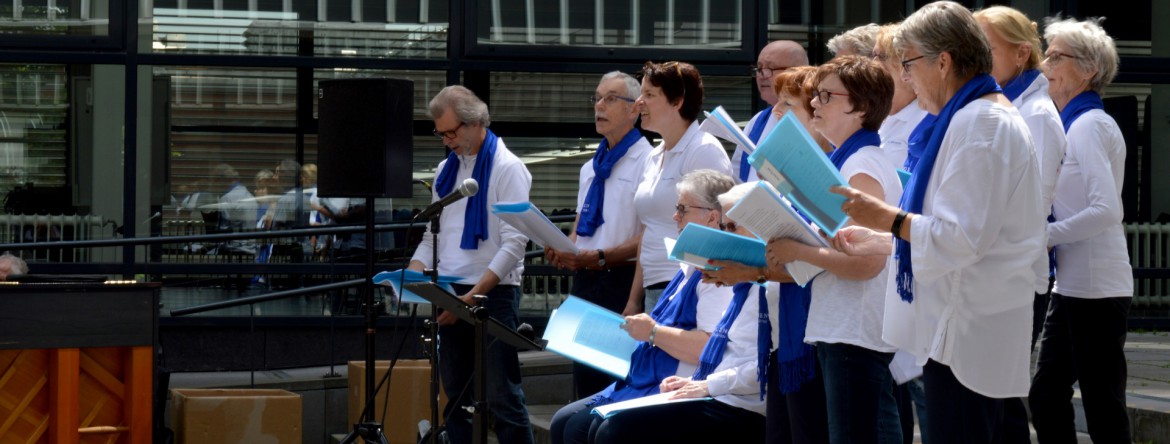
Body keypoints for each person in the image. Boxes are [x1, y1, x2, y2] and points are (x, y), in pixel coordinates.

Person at [831, 2, 1044, 442]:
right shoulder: (976, 117)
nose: (903, 78)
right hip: (964, 326)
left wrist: (886, 218)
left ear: (943, 62)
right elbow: (964, 231)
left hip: (967, 334)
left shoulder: (980, 122)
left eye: (907, 64)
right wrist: (883, 241)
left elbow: (960, 239)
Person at [765, 55, 902, 444]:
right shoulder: (849, 160)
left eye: (825, 96)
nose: (813, 104)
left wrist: (798, 249)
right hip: (844, 328)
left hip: (854, 331)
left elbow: (867, 263)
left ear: (858, 106)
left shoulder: (860, 166)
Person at [549, 170, 740, 444]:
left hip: (673, 383)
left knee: (586, 429)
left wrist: (652, 333)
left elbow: (707, 348)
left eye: (682, 209)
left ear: (712, 216)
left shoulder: (716, 274)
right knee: (563, 422)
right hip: (644, 376)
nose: (675, 216)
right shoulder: (688, 267)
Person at [705, 65, 831, 444]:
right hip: (781, 333)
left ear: (815, 113)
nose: (776, 112)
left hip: (810, 335)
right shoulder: (787, 174)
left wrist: (750, 270)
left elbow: (814, 260)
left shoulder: (823, 174)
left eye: (788, 105)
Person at [408, 85, 535, 444]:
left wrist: (473, 296)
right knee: (455, 399)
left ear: (477, 121)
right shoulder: (446, 170)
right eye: (441, 133)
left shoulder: (507, 167)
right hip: (449, 291)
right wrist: (415, 270)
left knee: (502, 398)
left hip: (492, 294)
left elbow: (514, 243)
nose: (447, 140)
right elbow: (434, 235)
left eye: (452, 131)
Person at [1028, 16, 1133, 444]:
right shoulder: (1073, 122)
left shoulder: (1089, 124)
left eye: (1056, 56)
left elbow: (1108, 210)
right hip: (1073, 285)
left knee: (1100, 405)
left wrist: (1043, 236)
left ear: (1088, 70)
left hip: (1097, 287)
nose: (1045, 63)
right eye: (1046, 53)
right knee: (1046, 396)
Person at [974, 6, 1068, 442]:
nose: (975, 55)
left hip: (1014, 272)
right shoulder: (1006, 101)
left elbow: (1035, 202)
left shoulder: (1036, 114)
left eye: (986, 48)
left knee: (1001, 395)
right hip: (998, 269)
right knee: (996, 395)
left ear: (1021, 54)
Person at [545, 71, 653, 399]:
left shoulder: (648, 161)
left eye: (610, 99)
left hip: (621, 279)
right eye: (597, 98)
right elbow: (581, 226)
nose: (599, 106)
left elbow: (653, 234)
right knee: (584, 385)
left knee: (614, 384)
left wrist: (602, 256)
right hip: (587, 279)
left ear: (635, 109)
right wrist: (565, 248)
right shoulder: (590, 166)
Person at [627, 61, 731, 315]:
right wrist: (633, 300)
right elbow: (648, 230)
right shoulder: (653, 155)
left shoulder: (703, 149)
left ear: (677, 102)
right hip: (656, 288)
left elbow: (718, 224)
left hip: (689, 286)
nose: (639, 102)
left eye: (649, 94)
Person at [733, 41, 809, 183]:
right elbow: (736, 174)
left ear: (798, 71)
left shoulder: (817, 122)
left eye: (770, 68)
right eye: (759, 68)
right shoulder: (758, 120)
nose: (762, 75)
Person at [873, 23, 931, 172]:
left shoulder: (926, 119)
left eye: (883, 57)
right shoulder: (877, 115)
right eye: (874, 55)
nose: (873, 64)